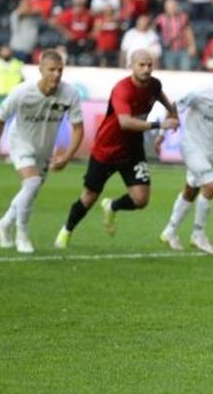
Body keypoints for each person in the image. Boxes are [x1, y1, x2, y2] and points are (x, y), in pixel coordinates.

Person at [54, 49, 179, 248]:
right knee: (88, 197)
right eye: (142, 65)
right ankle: (66, 230)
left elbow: (161, 96)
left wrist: (172, 112)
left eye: (149, 65)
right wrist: (160, 125)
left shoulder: (154, 85)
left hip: (132, 150)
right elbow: (125, 123)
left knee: (141, 199)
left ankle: (111, 205)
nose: (147, 69)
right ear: (131, 66)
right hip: (107, 149)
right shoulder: (122, 89)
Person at [0, 50, 84, 253]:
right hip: (20, 143)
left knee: (30, 192)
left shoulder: (69, 94)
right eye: (51, 69)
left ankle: (4, 223)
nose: (56, 74)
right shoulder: (22, 92)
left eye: (60, 70)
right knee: (32, 183)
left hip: (45, 148)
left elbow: (78, 129)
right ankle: (22, 235)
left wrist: (66, 157)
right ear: (40, 70)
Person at [158, 57, 213, 253]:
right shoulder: (200, 95)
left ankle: (170, 230)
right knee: (211, 185)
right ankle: (198, 234)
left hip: (211, 152)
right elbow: (173, 107)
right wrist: (161, 135)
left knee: (191, 189)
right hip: (191, 147)